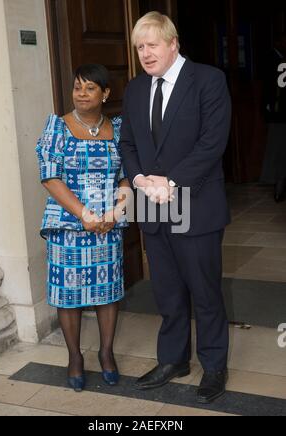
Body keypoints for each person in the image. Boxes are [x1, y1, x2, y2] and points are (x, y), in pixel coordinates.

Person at [120, 12, 231, 404]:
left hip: (193, 199)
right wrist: (138, 181)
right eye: (139, 47)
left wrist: (171, 182)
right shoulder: (135, 89)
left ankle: (214, 365)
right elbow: (128, 145)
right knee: (166, 290)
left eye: (151, 45)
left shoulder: (208, 80)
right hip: (151, 201)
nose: (144, 54)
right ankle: (173, 360)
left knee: (204, 290)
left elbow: (212, 142)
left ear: (173, 43)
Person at [36, 64, 130, 392]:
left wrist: (115, 211)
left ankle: (106, 353)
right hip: (68, 223)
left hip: (107, 223)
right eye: (78, 87)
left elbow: (125, 176)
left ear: (105, 94)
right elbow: (50, 176)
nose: (82, 94)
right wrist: (84, 214)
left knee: (107, 290)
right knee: (69, 294)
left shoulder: (118, 129)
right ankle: (74, 357)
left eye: (90, 88)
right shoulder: (57, 127)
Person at [260, 33, 286, 201]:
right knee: (278, 149)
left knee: (279, 149)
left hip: (279, 111)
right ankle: (279, 185)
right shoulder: (272, 59)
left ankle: (280, 185)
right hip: (279, 112)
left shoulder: (278, 59)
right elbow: (268, 86)